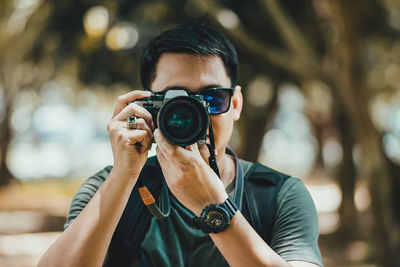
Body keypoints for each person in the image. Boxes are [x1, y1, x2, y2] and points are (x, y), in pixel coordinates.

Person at [38, 23, 322, 267]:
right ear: (148, 106)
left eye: (212, 99)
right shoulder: (108, 188)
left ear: (235, 104)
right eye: (176, 100)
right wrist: (124, 175)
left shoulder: (280, 196)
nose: (193, 113)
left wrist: (213, 207)